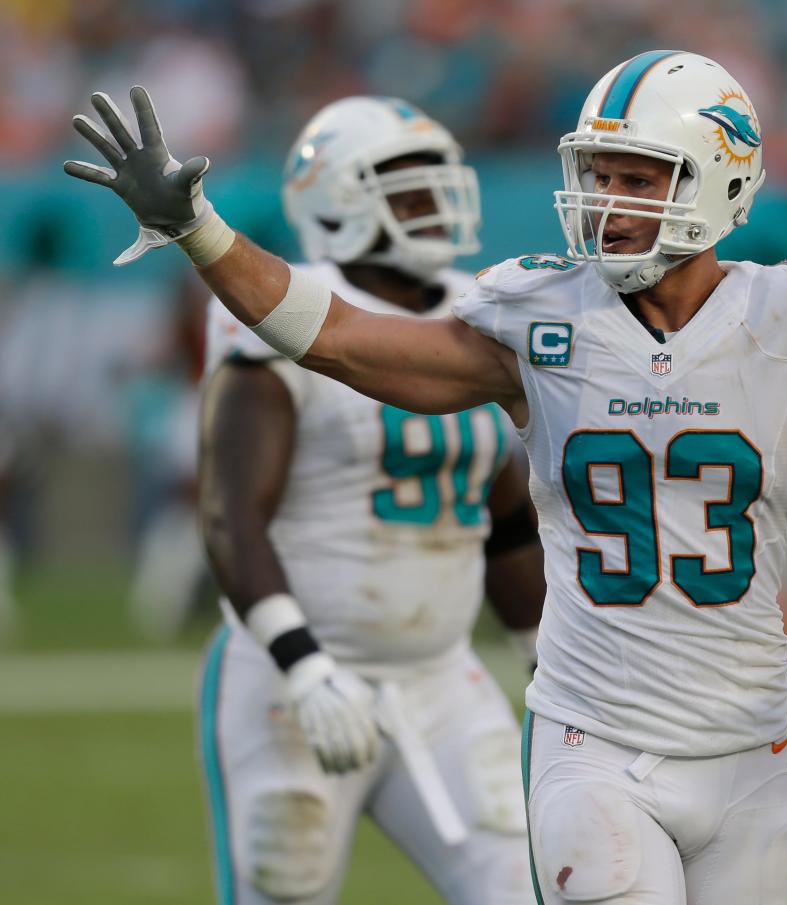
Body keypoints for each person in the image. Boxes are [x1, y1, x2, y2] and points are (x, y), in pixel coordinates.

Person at [66, 51, 787, 905]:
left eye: (642, 177)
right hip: (593, 742)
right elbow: (341, 340)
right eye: (602, 171)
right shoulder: (540, 318)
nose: (610, 201)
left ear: (718, 182)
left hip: (751, 759)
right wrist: (201, 230)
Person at [197, 96, 543, 904]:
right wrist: (302, 662)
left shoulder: (483, 310)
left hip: (439, 675)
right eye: (409, 187)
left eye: (441, 182)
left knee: (535, 888)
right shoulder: (283, 311)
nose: (439, 203)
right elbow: (230, 513)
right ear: (338, 200)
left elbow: (503, 519)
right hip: (295, 682)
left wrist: (546, 657)